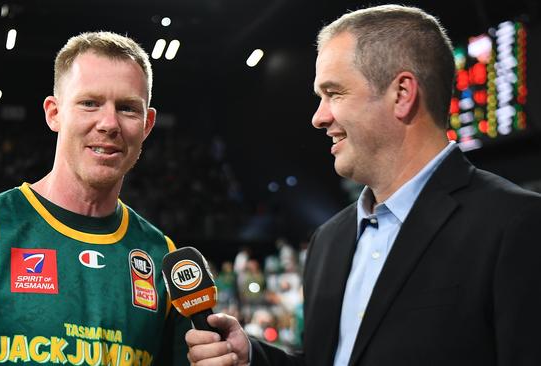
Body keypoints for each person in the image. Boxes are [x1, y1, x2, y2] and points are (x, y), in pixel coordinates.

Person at [185, 5, 541, 366]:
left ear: (402, 94)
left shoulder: (517, 226)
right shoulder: (330, 238)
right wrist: (251, 358)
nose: (319, 117)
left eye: (334, 93)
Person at [0, 31, 191, 365]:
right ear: (54, 113)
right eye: (90, 103)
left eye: (127, 108)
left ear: (147, 124)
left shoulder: (163, 258)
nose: (109, 123)